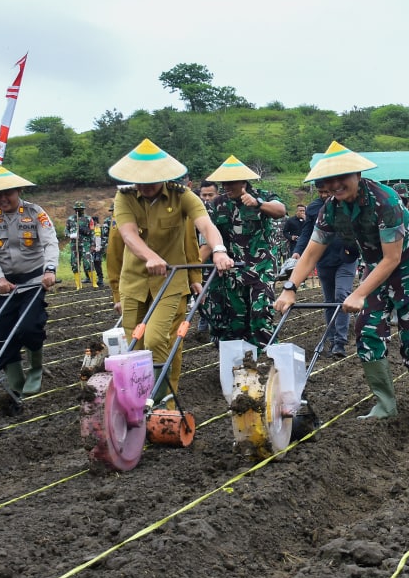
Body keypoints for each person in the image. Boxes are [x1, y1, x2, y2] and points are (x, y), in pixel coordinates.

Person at [276, 141, 409, 434]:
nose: (336, 185)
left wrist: (359, 292)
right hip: (378, 269)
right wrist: (290, 287)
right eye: (329, 181)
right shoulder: (331, 209)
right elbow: (313, 250)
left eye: (343, 178)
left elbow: (393, 258)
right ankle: (385, 404)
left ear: (358, 175)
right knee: (366, 333)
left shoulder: (384, 201)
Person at [108, 139, 234, 403]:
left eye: (152, 180)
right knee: (135, 345)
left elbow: (205, 225)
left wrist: (219, 249)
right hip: (134, 281)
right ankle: (139, 400)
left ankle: (163, 397)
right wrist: (150, 257)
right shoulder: (125, 196)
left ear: (165, 177)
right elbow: (128, 234)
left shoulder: (182, 195)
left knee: (156, 339)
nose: (146, 186)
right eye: (140, 181)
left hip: (171, 280)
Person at [0, 166, 60, 414]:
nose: (2, 200)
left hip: (33, 281)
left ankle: (35, 368)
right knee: (0, 335)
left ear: (19, 190)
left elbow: (50, 242)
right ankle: (15, 384)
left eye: (7, 194)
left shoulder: (35, 213)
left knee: (29, 327)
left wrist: (50, 270)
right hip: (3, 285)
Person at [203, 155, 286, 349]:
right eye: (224, 183)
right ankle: (241, 369)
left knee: (260, 316)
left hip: (261, 270)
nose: (226, 187)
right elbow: (210, 238)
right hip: (233, 271)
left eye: (231, 183)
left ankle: (267, 363)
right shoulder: (218, 204)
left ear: (243, 182)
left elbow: (280, 210)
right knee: (236, 322)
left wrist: (258, 203)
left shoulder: (263, 195)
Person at [293, 179, 359, 357]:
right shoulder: (314, 209)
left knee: (341, 295)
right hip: (323, 260)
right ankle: (331, 338)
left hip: (347, 257)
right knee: (329, 301)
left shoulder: (348, 203)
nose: (324, 196)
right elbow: (306, 232)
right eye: (321, 192)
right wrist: (298, 251)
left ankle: (340, 342)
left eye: (326, 192)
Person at [65, 202, 100, 288]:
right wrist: (70, 235)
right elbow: (66, 231)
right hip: (74, 245)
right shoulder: (70, 219)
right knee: (74, 263)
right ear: (74, 210)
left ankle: (94, 283)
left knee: (88, 263)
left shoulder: (88, 219)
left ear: (83, 210)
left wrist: (93, 244)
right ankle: (78, 285)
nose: (79, 211)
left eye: (81, 210)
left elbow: (92, 233)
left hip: (85, 244)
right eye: (77, 209)